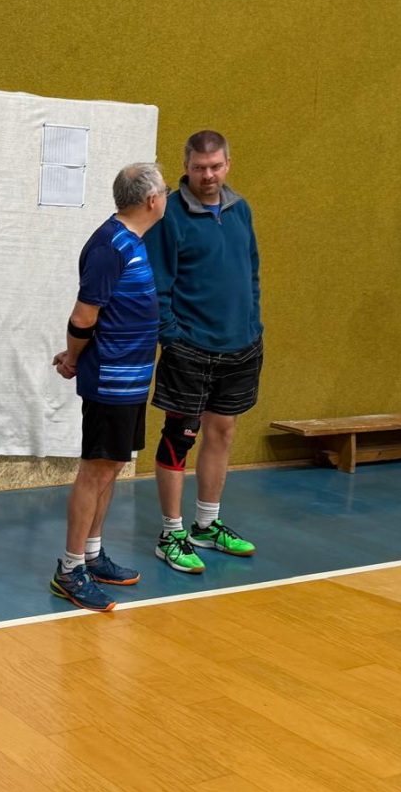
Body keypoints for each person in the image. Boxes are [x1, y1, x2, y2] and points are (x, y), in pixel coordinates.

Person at [49, 163, 169, 612]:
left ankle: (93, 555)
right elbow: (83, 317)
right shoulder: (109, 247)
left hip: (133, 379)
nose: (167, 197)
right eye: (165, 191)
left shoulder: (133, 241)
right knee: (95, 471)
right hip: (110, 382)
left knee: (113, 466)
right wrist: (73, 358)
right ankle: (69, 570)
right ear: (152, 200)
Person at [143, 130, 262, 574]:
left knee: (223, 432)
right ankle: (170, 533)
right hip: (189, 348)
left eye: (215, 167)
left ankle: (206, 526)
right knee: (179, 437)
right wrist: (172, 337)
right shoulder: (169, 214)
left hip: (241, 346)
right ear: (187, 167)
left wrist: (252, 324)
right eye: (199, 168)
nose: (207, 175)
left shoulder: (240, 209)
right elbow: (157, 284)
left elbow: (251, 272)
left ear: (227, 164)